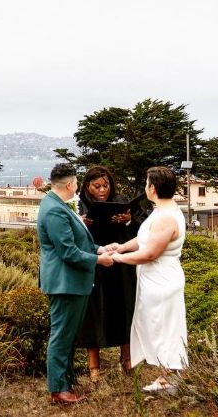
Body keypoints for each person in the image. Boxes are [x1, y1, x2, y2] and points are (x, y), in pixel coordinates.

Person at [104, 166, 188, 392]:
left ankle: (170, 380)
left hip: (162, 280)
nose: (145, 188)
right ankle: (167, 378)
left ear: (152, 188)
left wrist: (118, 259)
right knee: (157, 326)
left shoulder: (166, 218)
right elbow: (144, 240)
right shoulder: (163, 210)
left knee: (165, 328)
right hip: (155, 278)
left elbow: (150, 253)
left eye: (146, 184)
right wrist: (121, 247)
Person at [37, 163, 115, 405]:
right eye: (76, 184)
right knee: (61, 337)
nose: (77, 188)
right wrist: (99, 260)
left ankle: (66, 382)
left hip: (72, 283)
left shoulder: (58, 205)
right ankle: (58, 390)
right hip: (65, 283)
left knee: (68, 336)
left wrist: (100, 248)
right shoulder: (54, 210)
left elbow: (77, 242)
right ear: (70, 184)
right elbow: (68, 252)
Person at [76, 166, 143, 381]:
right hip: (95, 263)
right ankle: (94, 366)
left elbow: (143, 230)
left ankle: (127, 358)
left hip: (121, 263)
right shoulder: (80, 205)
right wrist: (82, 224)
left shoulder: (121, 200)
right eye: (97, 186)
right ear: (87, 186)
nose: (102, 190)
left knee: (124, 308)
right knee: (94, 313)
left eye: (106, 185)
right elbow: (74, 238)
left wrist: (128, 221)